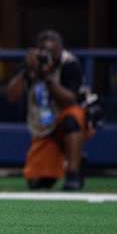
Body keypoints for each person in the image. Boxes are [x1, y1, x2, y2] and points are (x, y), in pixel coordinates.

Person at [6, 29, 90, 190]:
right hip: (43, 125)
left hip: (68, 121)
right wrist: (26, 71)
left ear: (60, 49)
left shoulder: (69, 63)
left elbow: (70, 100)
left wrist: (47, 77)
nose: (48, 56)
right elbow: (11, 96)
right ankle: (58, 167)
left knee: (73, 117)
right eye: (45, 52)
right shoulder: (32, 63)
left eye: (52, 52)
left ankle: (73, 171)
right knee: (37, 182)